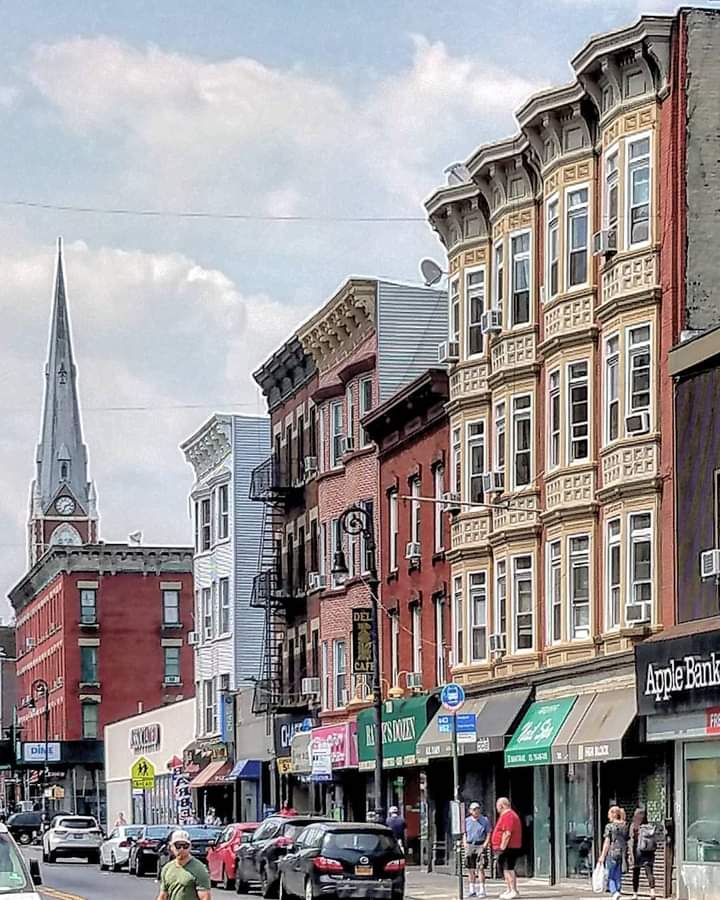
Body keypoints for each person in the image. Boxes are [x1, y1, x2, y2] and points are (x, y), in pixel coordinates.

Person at [157, 829, 212, 900]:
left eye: (185, 846)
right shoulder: (167, 868)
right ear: (171, 847)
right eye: (178, 845)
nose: (182, 849)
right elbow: (163, 896)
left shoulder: (200, 869)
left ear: (190, 847)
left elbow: (205, 897)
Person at [491, 797, 523, 900]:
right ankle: (509, 889)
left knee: (509, 868)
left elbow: (507, 833)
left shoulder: (508, 815)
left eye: (498, 807)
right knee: (505, 868)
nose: (497, 809)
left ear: (502, 806)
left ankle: (513, 890)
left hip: (509, 847)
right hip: (507, 846)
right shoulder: (507, 815)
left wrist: (502, 847)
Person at [599, 806, 629, 900]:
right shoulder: (624, 825)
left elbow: (607, 842)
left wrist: (602, 855)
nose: (608, 817)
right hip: (622, 852)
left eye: (609, 815)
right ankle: (618, 890)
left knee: (610, 874)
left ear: (612, 815)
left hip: (612, 852)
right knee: (618, 873)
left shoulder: (610, 827)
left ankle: (614, 891)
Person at [464, 802, 490, 898]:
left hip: (480, 844)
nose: (476, 811)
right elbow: (464, 832)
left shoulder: (485, 820)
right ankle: (472, 890)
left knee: (481, 867)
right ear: (470, 811)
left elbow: (488, 833)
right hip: (470, 844)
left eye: (478, 809)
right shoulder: (467, 821)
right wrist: (465, 843)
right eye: (474, 809)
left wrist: (485, 844)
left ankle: (482, 890)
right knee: (470, 868)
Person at [630, 807, 657, 900]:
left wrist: (630, 854)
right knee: (649, 872)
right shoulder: (649, 826)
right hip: (649, 852)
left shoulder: (634, 826)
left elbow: (631, 839)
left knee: (636, 873)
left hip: (637, 852)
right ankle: (652, 892)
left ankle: (635, 893)